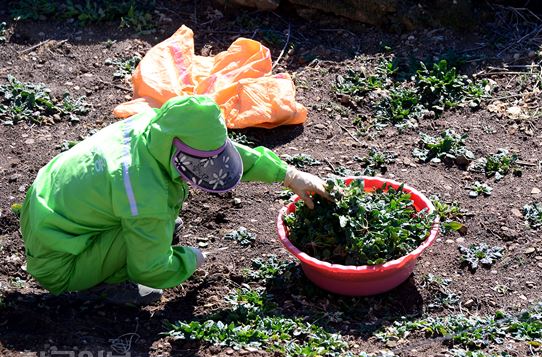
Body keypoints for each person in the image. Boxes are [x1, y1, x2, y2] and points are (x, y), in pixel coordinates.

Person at [19, 95, 329, 303]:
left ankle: (123, 247)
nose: (209, 169)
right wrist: (191, 259)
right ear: (176, 150)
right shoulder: (145, 194)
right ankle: (103, 286)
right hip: (60, 264)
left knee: (152, 227)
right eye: (198, 164)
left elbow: (219, 150)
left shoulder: (154, 125)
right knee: (150, 239)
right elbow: (149, 270)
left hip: (46, 210)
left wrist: (289, 175)